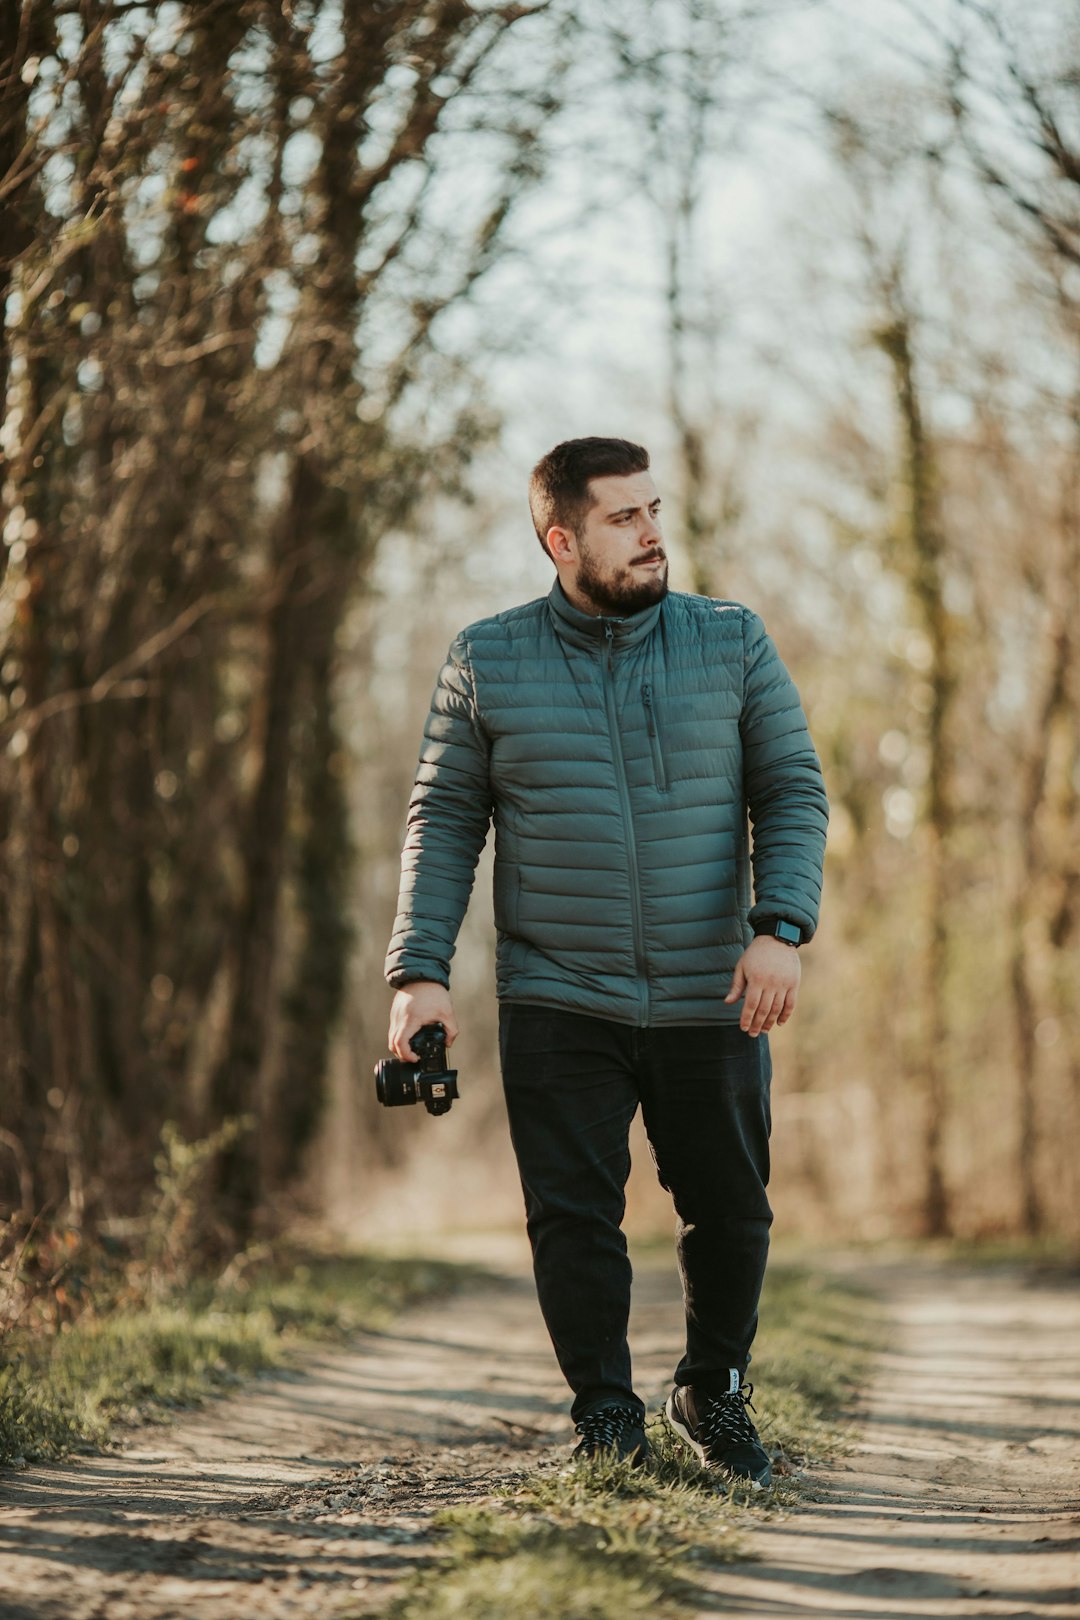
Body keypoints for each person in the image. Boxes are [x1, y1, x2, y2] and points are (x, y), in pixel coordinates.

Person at [384, 437, 828, 1486]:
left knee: (732, 1210)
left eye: (655, 510)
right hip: (557, 992)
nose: (652, 534)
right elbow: (442, 822)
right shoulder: (485, 659)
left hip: (709, 987)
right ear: (561, 538)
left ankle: (710, 1389)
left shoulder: (731, 641)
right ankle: (606, 1416)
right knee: (573, 1218)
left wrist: (782, 927)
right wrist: (418, 971)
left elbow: (794, 790)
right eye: (624, 519)